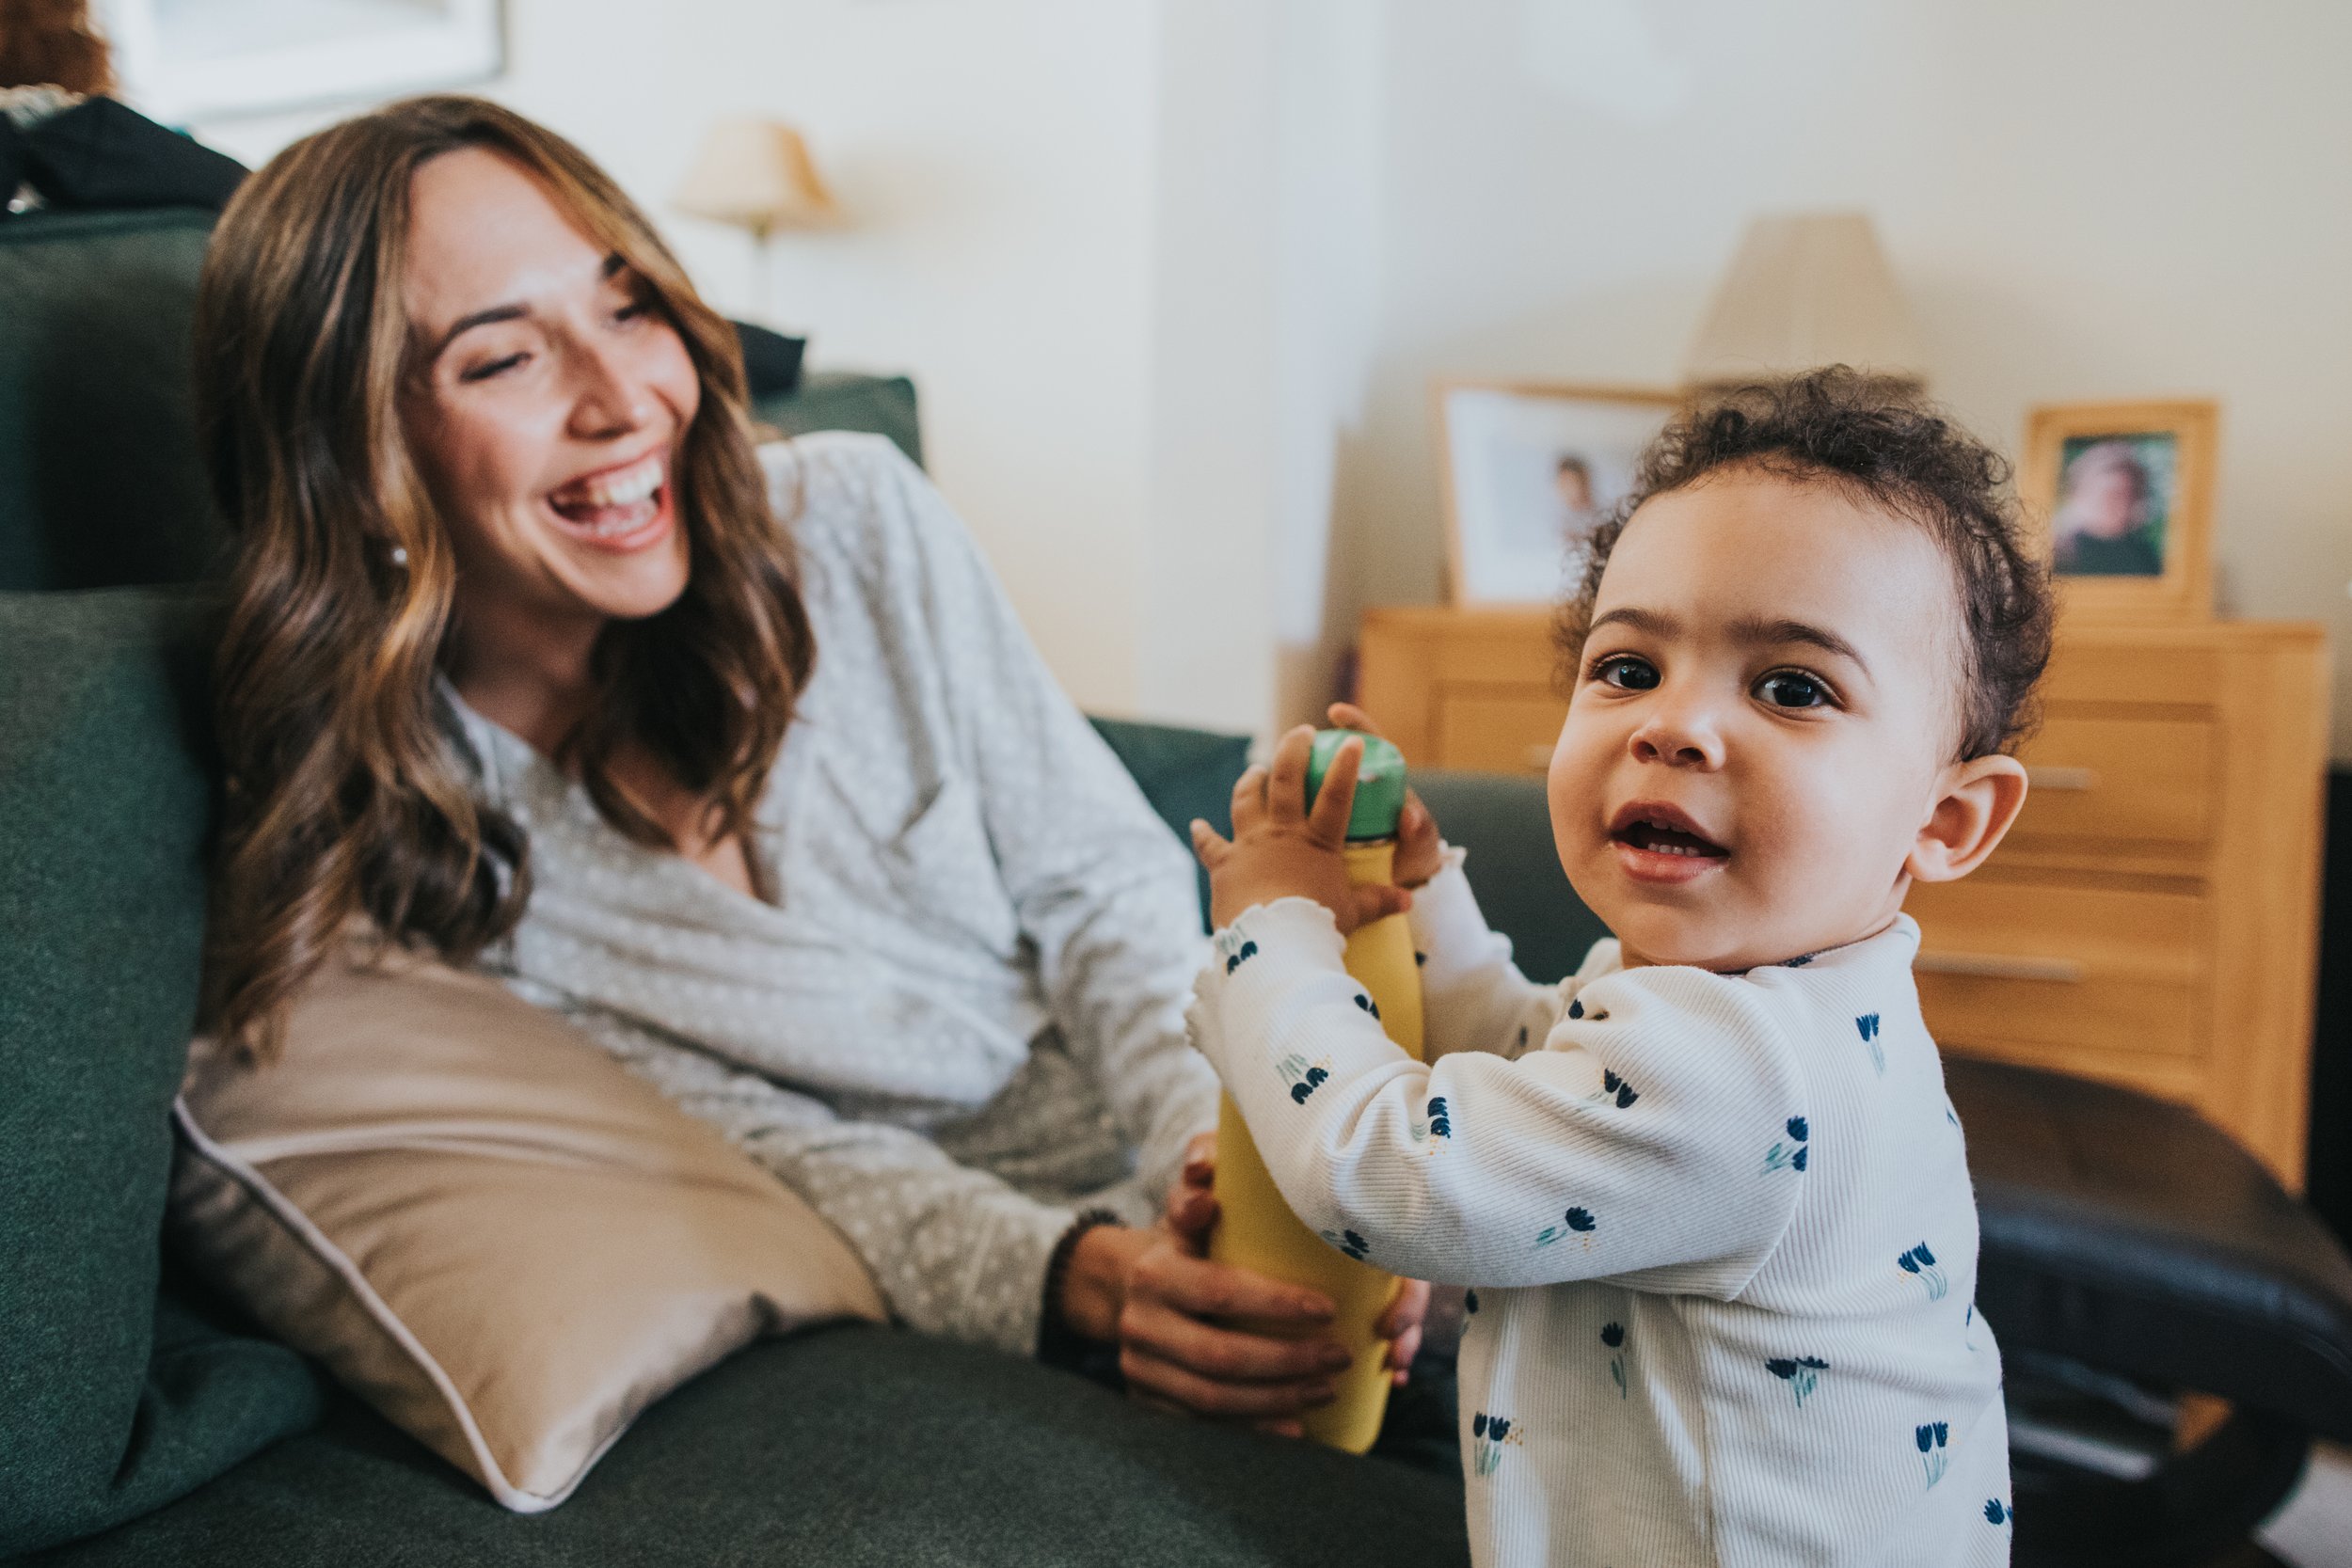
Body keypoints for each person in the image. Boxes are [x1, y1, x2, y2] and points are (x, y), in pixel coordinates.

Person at [194, 95, 1424, 1434]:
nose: (624, 400)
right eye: (503, 361)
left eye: (626, 307)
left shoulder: (853, 518)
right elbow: (762, 1155)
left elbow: (1096, 882)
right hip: (1011, 1297)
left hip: (1234, 1133)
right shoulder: (418, 857)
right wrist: (1084, 1278)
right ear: (352, 449)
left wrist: (1235, 1159)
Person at [1187, 369, 2052, 1565]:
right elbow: (1528, 1059)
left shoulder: (1738, 1067)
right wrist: (1426, 895)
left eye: (1791, 686)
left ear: (1945, 821)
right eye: (1628, 667)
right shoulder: (1766, 1007)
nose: (1673, 724)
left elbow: (1387, 1174)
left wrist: (1268, 933)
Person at [2049, 438, 2163, 576]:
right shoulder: (2059, 550)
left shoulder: (2143, 555)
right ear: (2078, 494)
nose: (2111, 504)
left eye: (2122, 495)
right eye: (2103, 494)